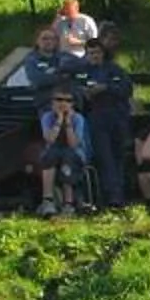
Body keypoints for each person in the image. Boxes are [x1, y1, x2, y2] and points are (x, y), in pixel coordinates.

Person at [75, 37, 134, 210]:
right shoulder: (82, 71)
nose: (94, 56)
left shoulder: (114, 70)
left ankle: (120, 194)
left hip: (117, 116)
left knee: (119, 155)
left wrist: (106, 88)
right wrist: (84, 93)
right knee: (104, 157)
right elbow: (74, 90)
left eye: (97, 52)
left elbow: (127, 89)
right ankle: (110, 196)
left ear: (103, 53)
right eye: (91, 53)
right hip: (96, 117)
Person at [35, 85, 92, 216]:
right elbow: (49, 140)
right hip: (54, 151)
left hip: (76, 153)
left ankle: (68, 203)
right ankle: (47, 200)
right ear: (52, 102)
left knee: (68, 157)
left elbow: (73, 144)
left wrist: (67, 122)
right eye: (59, 100)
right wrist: (59, 120)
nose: (63, 103)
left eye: (68, 101)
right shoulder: (47, 117)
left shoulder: (78, 119)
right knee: (50, 156)